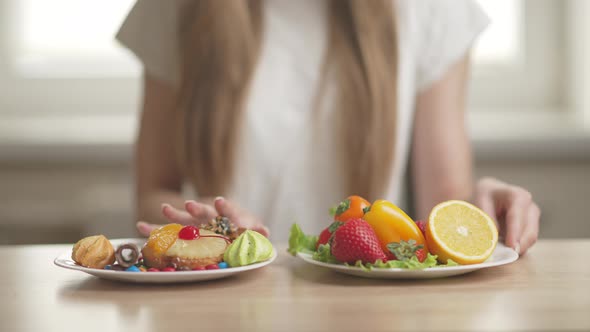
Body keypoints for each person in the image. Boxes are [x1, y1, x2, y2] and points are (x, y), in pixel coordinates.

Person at [117, 0, 540, 255]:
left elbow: (443, 207)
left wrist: (482, 209)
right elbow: (152, 194)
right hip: (221, 305)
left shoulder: (431, 8)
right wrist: (201, 224)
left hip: (367, 313)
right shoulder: (174, 8)